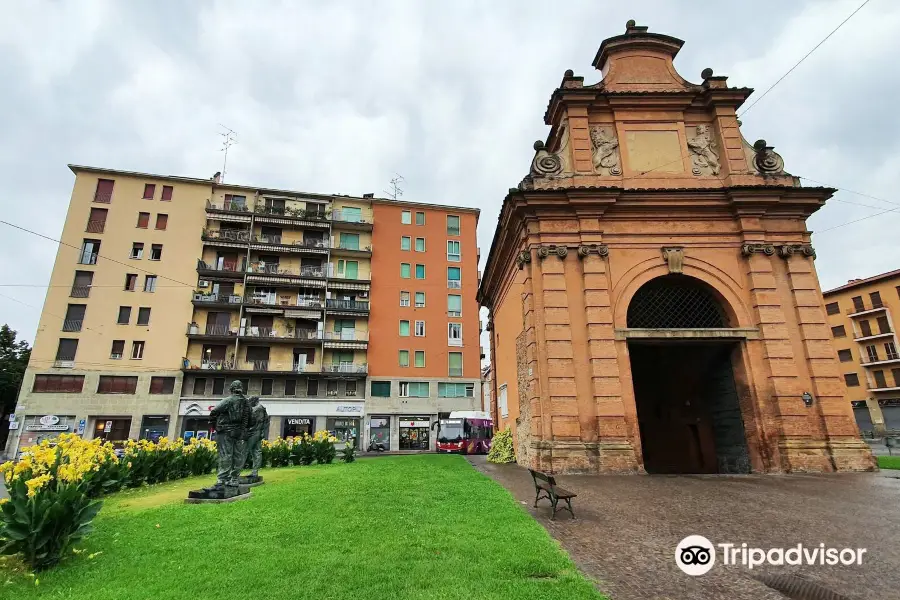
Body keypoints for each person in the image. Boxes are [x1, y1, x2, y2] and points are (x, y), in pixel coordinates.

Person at [209, 380, 252, 488]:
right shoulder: (246, 403)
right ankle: (234, 478)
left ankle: (222, 479)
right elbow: (251, 419)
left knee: (225, 455)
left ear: (231, 389)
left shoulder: (228, 400)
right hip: (239, 432)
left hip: (225, 431)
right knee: (238, 456)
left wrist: (215, 425)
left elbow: (214, 412)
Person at [247, 396, 268, 478]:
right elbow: (266, 421)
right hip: (258, 432)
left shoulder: (257, 409)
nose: (249, 402)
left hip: (253, 432)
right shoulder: (261, 408)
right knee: (256, 451)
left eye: (250, 401)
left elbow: (251, 420)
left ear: (254, 401)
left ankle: (235, 474)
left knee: (245, 451)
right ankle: (255, 471)